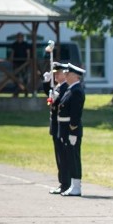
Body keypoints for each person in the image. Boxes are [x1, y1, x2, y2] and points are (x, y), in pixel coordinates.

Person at [58, 64, 86, 197]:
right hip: (65, 129)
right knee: (69, 157)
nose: (66, 76)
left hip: (71, 129)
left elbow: (75, 114)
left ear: (75, 76)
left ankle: (76, 186)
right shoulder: (70, 90)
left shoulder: (76, 91)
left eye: (68, 74)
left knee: (74, 158)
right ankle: (73, 185)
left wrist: (72, 131)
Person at [44, 62, 69, 194]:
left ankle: (65, 183)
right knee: (58, 156)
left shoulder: (65, 88)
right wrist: (46, 84)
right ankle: (62, 182)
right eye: (55, 74)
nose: (56, 76)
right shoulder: (58, 87)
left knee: (63, 156)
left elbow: (60, 104)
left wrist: (54, 98)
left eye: (58, 74)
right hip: (55, 125)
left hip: (61, 125)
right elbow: (50, 101)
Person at [10, 32, 30, 97]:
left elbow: (28, 53)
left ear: (22, 37)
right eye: (18, 37)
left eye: (21, 37)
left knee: (25, 78)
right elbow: (12, 53)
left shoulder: (26, 44)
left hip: (24, 63)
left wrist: (28, 61)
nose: (19, 38)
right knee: (16, 78)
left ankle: (26, 91)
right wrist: (11, 60)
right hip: (16, 63)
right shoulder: (14, 44)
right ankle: (16, 92)